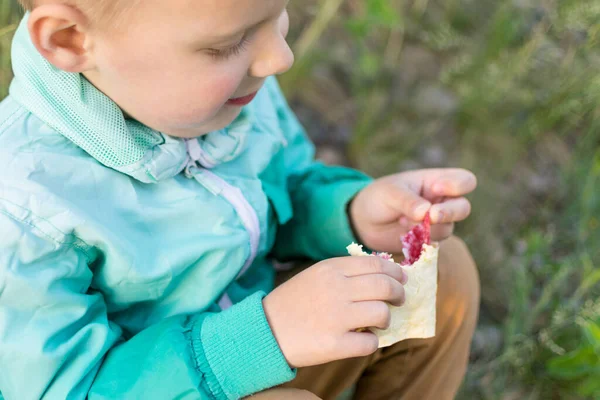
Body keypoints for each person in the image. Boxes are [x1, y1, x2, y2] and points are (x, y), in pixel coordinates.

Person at [0, 0, 480, 399]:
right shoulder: (25, 211)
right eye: (226, 44)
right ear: (69, 39)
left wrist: (347, 215)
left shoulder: (230, 91)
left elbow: (282, 184)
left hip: (263, 325)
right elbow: (64, 388)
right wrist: (258, 338)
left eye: (279, 12)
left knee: (434, 274)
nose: (278, 57)